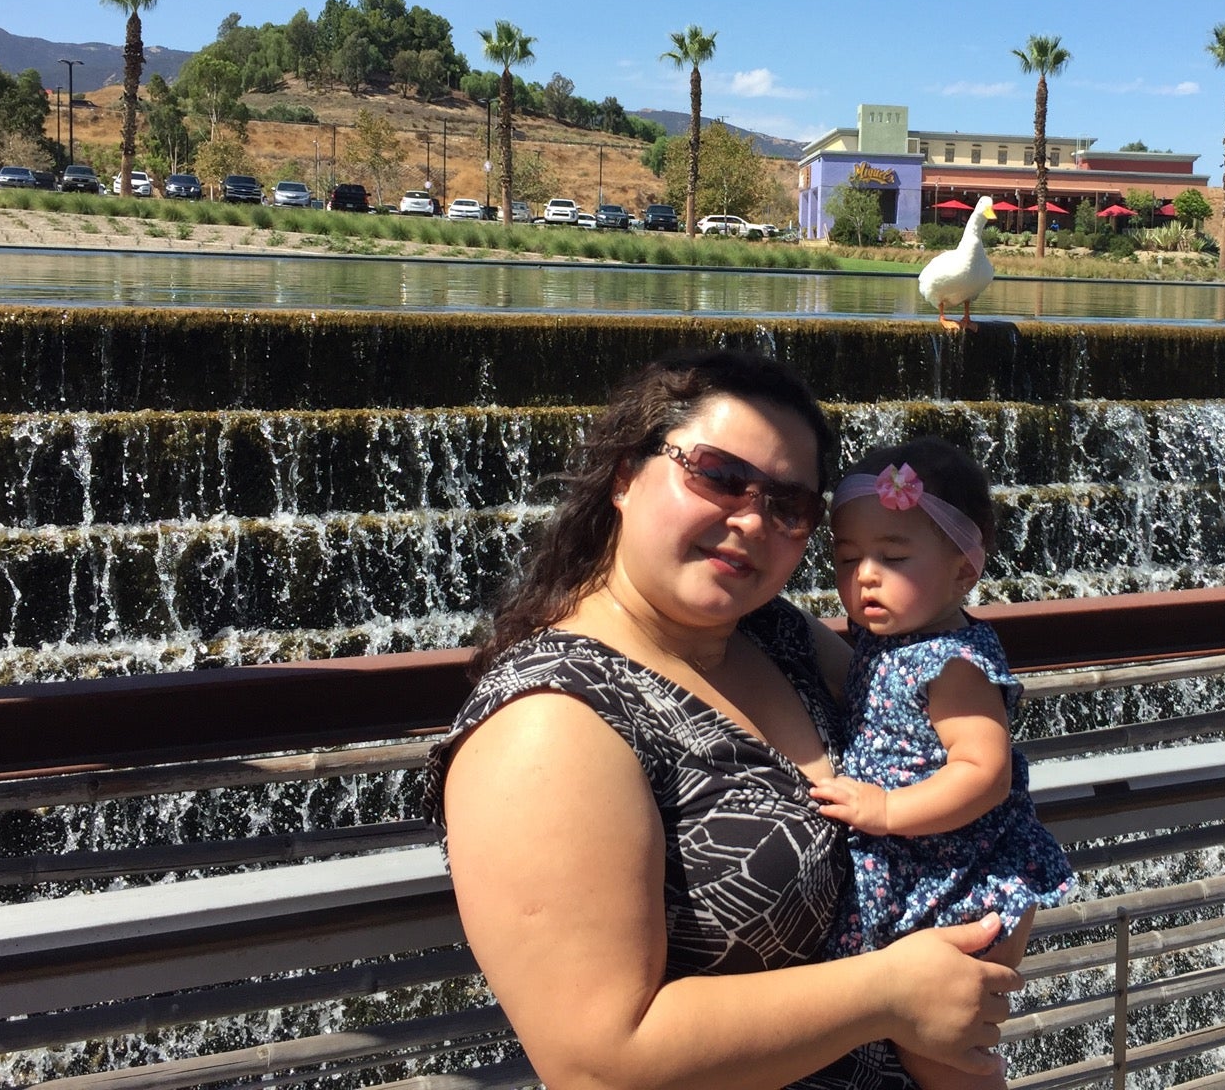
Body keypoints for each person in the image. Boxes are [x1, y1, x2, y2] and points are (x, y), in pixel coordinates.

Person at [429, 349, 1021, 1090]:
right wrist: (890, 994)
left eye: (789, 505)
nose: (750, 519)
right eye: (716, 474)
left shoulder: (777, 635)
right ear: (624, 476)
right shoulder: (549, 722)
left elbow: (942, 736)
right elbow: (598, 1063)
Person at [811, 437, 1074, 1090]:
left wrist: (888, 809)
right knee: (925, 1045)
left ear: (963, 572)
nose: (863, 577)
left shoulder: (952, 663)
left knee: (944, 1052)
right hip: (928, 871)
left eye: (892, 557)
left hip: (967, 877)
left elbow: (985, 772)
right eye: (846, 560)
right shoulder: (890, 639)